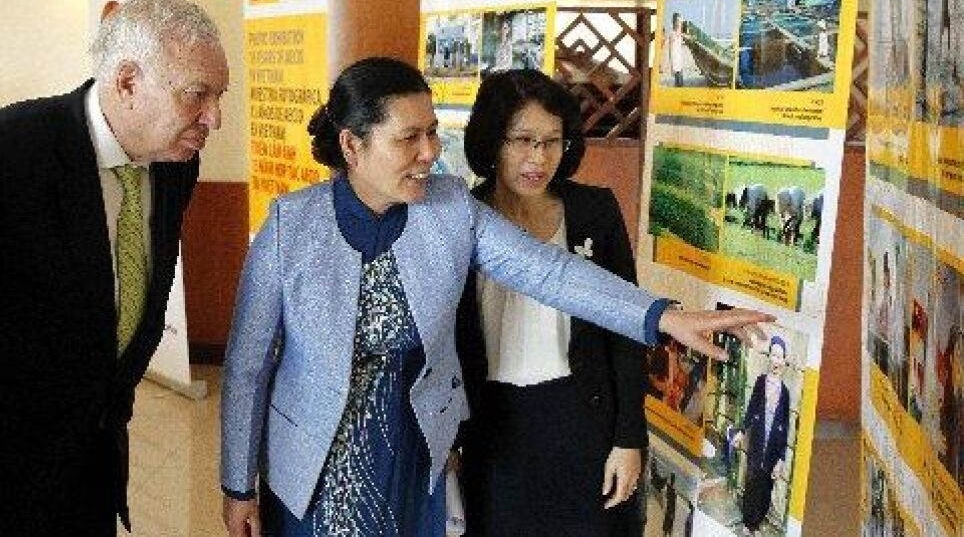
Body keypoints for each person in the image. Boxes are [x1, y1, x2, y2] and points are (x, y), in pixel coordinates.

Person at [219, 57, 772, 537]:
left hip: (413, 452)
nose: (429, 152)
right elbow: (247, 368)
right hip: (316, 459)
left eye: (432, 132)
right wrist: (238, 485)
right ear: (352, 144)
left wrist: (661, 316)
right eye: (408, 138)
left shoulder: (448, 208)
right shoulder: (290, 227)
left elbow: (549, 272)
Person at [0, 0, 228, 535]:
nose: (214, 117)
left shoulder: (174, 164)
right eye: (197, 95)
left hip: (88, 475)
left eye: (219, 95)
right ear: (127, 82)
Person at [453, 69, 648, 536]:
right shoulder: (461, 219)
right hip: (492, 424)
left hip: (581, 415)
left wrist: (629, 438)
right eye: (522, 140)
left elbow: (625, 329)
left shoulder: (594, 211)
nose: (538, 158)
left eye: (552, 142)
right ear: (492, 141)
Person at [733, 336, 791, 536]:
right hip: (757, 444)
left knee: (766, 488)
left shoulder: (785, 393)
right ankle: (747, 523)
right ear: (769, 358)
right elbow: (751, 409)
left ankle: (756, 524)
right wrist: (742, 431)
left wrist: (781, 459)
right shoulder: (760, 382)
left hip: (773, 450)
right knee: (752, 483)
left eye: (780, 357)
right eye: (773, 355)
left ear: (784, 361)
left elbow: (785, 426)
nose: (776, 361)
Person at [661, 12, 687, 87]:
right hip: (675, 63)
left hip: (680, 62)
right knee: (678, 84)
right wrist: (672, 66)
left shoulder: (679, 33)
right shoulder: (672, 34)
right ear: (674, 22)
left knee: (680, 83)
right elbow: (670, 50)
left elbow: (685, 36)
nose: (680, 23)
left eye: (680, 21)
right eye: (678, 21)